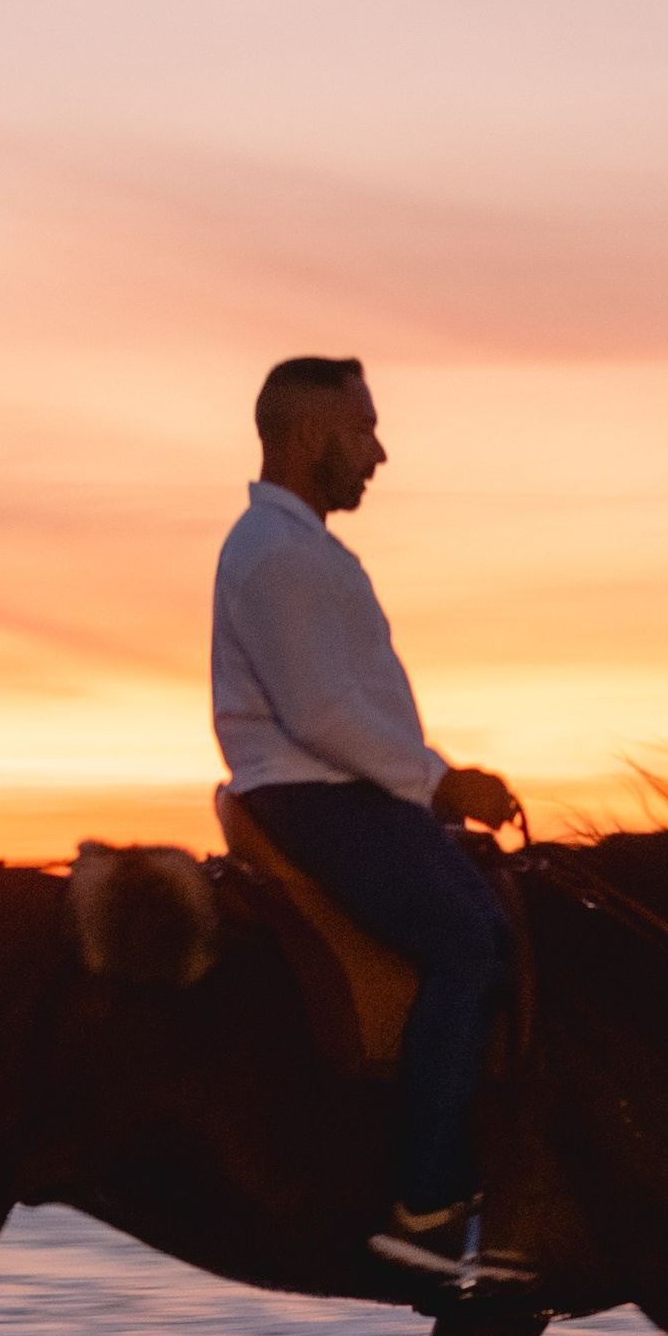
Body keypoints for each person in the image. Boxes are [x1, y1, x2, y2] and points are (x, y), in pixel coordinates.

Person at [212, 355, 532, 1287]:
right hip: (315, 793)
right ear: (310, 436)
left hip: (348, 788)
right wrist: (440, 785)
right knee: (470, 948)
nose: (378, 453)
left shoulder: (300, 548)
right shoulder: (276, 553)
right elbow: (323, 714)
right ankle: (427, 1205)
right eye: (362, 431)